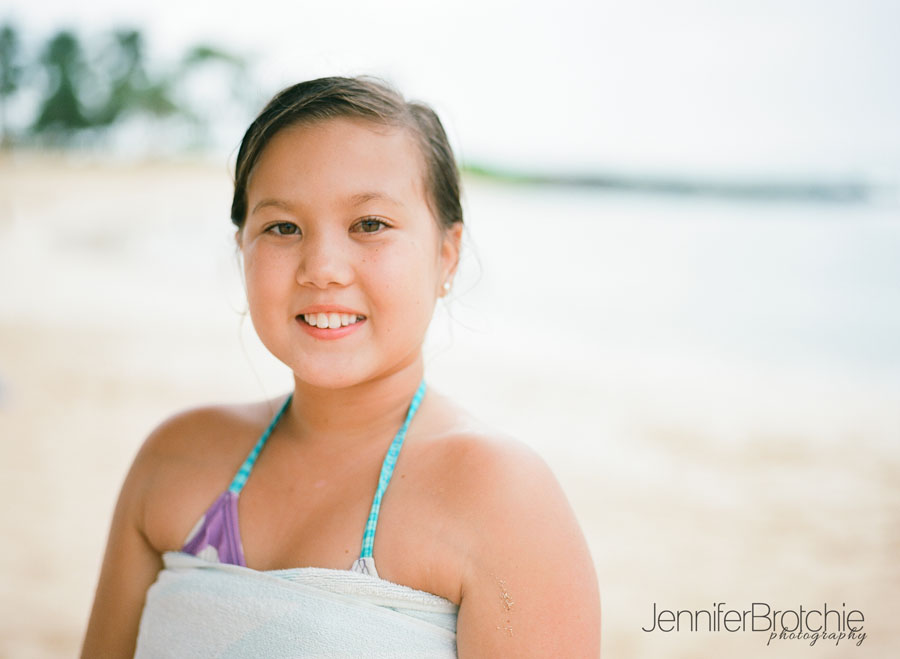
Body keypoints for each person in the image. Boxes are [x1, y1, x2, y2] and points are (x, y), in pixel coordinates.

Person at [80, 76, 601, 657]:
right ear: (241, 248)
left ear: (445, 254)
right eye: (283, 227)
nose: (323, 267)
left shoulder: (499, 496)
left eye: (370, 225)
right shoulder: (176, 457)